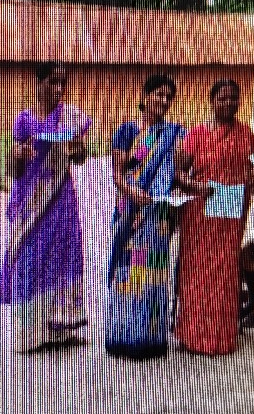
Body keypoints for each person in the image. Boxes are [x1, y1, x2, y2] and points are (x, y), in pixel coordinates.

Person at [0, 62, 92, 352]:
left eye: (62, 83)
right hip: (30, 199)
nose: (58, 89)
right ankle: (28, 334)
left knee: (62, 256)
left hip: (60, 196)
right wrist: (18, 154)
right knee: (29, 258)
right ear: (38, 83)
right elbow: (13, 170)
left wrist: (78, 148)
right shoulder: (24, 121)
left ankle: (61, 327)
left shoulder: (69, 118)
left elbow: (80, 158)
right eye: (52, 82)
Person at [173, 79, 254, 355]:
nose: (228, 103)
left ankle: (219, 336)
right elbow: (177, 173)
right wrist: (198, 186)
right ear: (211, 101)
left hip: (231, 216)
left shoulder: (246, 135)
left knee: (224, 272)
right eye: (222, 98)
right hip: (199, 214)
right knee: (197, 273)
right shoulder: (196, 134)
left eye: (233, 98)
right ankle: (192, 334)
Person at [105, 74, 184, 359]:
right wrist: (131, 192)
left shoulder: (174, 134)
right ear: (145, 96)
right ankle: (123, 334)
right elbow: (117, 174)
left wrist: (184, 192)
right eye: (159, 94)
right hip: (131, 211)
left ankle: (151, 337)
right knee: (129, 271)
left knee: (153, 271)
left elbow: (177, 174)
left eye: (168, 97)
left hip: (158, 214)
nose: (164, 100)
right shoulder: (127, 131)